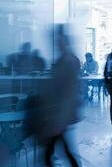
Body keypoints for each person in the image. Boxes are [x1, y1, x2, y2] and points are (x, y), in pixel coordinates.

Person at [42, 24, 81, 167]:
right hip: (59, 114)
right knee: (59, 149)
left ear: (63, 40)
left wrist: (60, 120)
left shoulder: (67, 61)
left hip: (60, 115)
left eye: (57, 40)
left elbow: (67, 93)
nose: (55, 43)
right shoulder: (67, 59)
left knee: (51, 152)